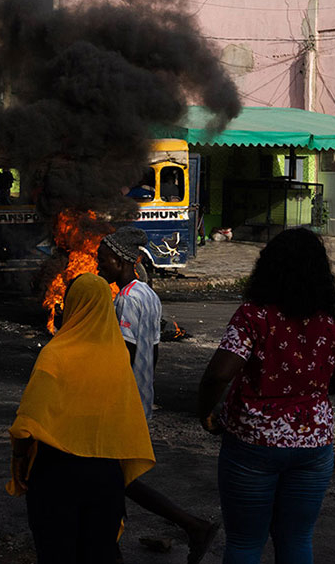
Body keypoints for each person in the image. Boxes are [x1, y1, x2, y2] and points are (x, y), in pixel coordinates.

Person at [197, 228, 335, 564]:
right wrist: (307, 393)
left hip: (253, 442)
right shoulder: (330, 320)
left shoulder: (254, 315)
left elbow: (218, 374)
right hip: (313, 443)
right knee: (297, 539)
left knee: (244, 542)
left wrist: (206, 411)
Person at [7, 273, 155, 564]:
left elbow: (29, 420)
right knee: (98, 552)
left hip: (56, 473)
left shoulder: (56, 354)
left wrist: (19, 458)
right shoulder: (117, 358)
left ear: (73, 304)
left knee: (57, 552)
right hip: (106, 475)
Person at [97, 226, 220, 564]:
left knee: (114, 477)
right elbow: (153, 352)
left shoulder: (126, 300)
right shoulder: (149, 294)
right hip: (141, 396)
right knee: (115, 477)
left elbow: (124, 351)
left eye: (102, 259)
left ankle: (192, 525)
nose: (98, 266)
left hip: (123, 401)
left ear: (121, 260)